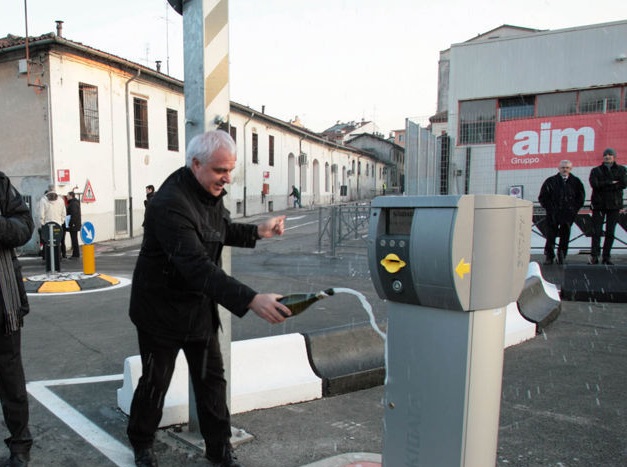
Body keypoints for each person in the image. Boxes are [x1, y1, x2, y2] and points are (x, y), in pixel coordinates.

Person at [126, 130, 292, 467]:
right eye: (220, 171)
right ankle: (142, 443)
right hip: (160, 312)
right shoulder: (169, 204)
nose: (227, 178)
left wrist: (259, 230)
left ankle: (219, 451)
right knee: (156, 383)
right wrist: (250, 299)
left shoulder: (208, 192)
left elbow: (221, 228)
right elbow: (197, 267)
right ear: (196, 163)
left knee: (211, 382)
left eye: (230, 170)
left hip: (197, 309)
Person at [0, 172, 34, 466]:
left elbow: (24, 227)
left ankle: (20, 445)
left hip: (2, 302)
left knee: (11, 378)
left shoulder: (0, 184)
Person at [538, 160, 585, 265]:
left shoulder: (576, 182)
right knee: (551, 235)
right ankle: (549, 256)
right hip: (553, 214)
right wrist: (550, 209)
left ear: (570, 169)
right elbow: (543, 197)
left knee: (565, 235)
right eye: (563, 167)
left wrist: (573, 210)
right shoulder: (551, 181)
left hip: (568, 214)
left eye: (567, 168)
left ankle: (562, 255)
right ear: (559, 168)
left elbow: (580, 198)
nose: (565, 169)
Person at [588, 147, 627, 265]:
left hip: (614, 206)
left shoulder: (621, 169)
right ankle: (594, 256)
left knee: (610, 232)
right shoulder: (596, 170)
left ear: (614, 157)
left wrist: (604, 184)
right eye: (605, 154)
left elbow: (623, 184)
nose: (607, 156)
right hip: (599, 205)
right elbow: (594, 184)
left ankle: (606, 257)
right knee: (596, 232)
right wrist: (611, 182)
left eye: (610, 154)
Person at [38, 186, 66, 262]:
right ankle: (58, 257)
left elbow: (41, 214)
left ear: (48, 190)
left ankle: (48, 258)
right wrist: (61, 222)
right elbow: (64, 213)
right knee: (57, 241)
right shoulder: (61, 200)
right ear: (54, 190)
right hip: (58, 225)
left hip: (47, 225)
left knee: (47, 242)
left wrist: (43, 223)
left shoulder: (43, 200)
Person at [66, 192, 81, 259]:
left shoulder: (73, 204)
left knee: (74, 239)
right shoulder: (75, 203)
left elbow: (73, 215)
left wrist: (71, 223)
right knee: (74, 239)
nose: (67, 197)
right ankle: (75, 253)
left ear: (71, 196)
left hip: (74, 224)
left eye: (68, 196)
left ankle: (76, 254)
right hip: (75, 224)